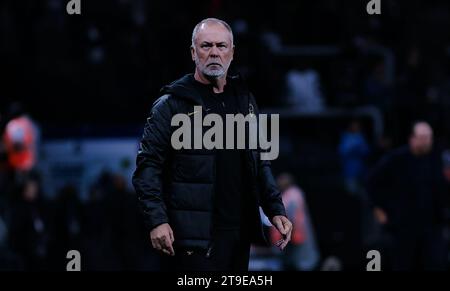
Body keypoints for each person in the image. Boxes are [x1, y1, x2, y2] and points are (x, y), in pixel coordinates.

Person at [132, 18, 292, 271]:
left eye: (221, 46)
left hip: (239, 236)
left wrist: (276, 209)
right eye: (206, 46)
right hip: (191, 240)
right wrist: (157, 221)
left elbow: (260, 161)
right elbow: (147, 169)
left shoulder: (245, 100)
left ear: (232, 52)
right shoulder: (171, 104)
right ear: (193, 53)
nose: (214, 52)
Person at [367, 121, 448, 270]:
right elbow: (372, 182)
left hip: (431, 225)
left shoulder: (437, 159)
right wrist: (377, 208)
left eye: (429, 138)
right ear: (412, 139)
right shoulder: (395, 159)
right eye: (422, 137)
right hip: (403, 226)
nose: (426, 142)